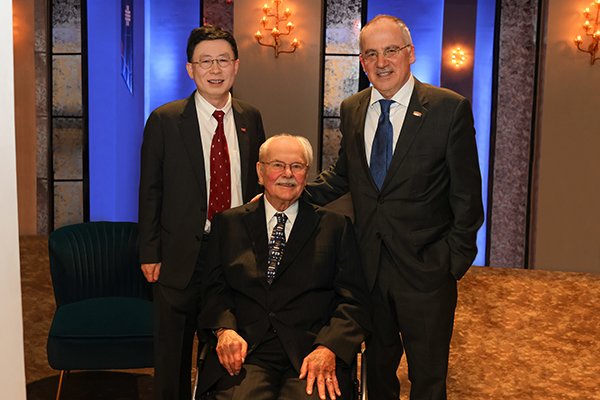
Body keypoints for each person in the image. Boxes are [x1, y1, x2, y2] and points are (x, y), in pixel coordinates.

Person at [305, 15, 484, 400]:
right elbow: (341, 176)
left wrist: (451, 263)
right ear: (362, 61)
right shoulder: (352, 108)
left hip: (427, 271)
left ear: (410, 54)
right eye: (371, 53)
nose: (381, 61)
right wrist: (285, 196)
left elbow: (467, 197)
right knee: (377, 372)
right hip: (368, 268)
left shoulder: (447, 109)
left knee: (428, 377)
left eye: (390, 51)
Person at [138, 25, 266, 400]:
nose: (215, 68)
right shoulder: (165, 120)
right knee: (171, 359)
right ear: (190, 69)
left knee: (230, 355)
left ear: (236, 66)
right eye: (205, 61)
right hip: (179, 258)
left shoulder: (251, 117)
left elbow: (258, 184)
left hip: (236, 254)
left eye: (223, 60)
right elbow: (150, 189)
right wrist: (149, 251)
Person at [195, 134, 370, 400]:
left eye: (297, 166)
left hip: (311, 350)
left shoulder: (335, 227)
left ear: (306, 174)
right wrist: (224, 330)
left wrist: (329, 348)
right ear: (260, 171)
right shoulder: (228, 224)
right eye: (277, 165)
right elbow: (213, 290)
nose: (287, 174)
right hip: (247, 351)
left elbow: (353, 301)